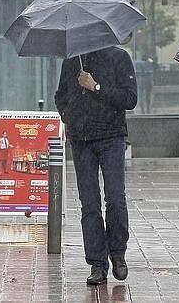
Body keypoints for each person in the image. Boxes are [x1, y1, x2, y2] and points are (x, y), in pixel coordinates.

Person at [54, 45, 137, 285]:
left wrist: (96, 87)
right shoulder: (72, 59)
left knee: (115, 198)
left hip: (111, 136)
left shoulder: (119, 57)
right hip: (81, 140)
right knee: (89, 203)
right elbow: (61, 95)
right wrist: (68, 115)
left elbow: (130, 99)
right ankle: (97, 264)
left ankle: (118, 253)